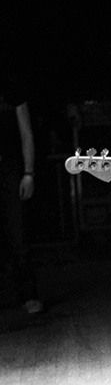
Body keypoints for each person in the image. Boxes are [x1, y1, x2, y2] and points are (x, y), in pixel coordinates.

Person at [0, 66, 42, 314]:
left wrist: (28, 173)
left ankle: (28, 294)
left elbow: (26, 134)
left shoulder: (11, 89)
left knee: (18, 233)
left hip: (9, 170)